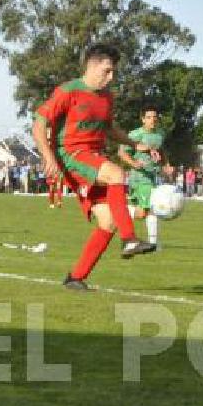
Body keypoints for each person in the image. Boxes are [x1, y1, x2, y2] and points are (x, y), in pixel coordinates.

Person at [32, 43, 158, 291]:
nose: (111, 77)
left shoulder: (106, 97)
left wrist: (135, 144)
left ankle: (76, 278)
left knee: (108, 220)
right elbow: (38, 125)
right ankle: (129, 239)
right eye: (107, 71)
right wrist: (48, 157)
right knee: (117, 174)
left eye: (113, 73)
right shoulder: (67, 91)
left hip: (92, 156)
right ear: (91, 66)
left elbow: (109, 129)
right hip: (71, 155)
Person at [118, 106, 166, 252]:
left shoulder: (160, 134)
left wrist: (166, 164)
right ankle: (153, 244)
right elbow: (121, 152)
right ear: (143, 119)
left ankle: (118, 212)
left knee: (144, 212)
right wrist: (133, 163)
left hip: (152, 177)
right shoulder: (136, 135)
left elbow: (161, 152)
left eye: (155, 116)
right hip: (140, 178)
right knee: (149, 210)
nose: (153, 119)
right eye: (150, 117)